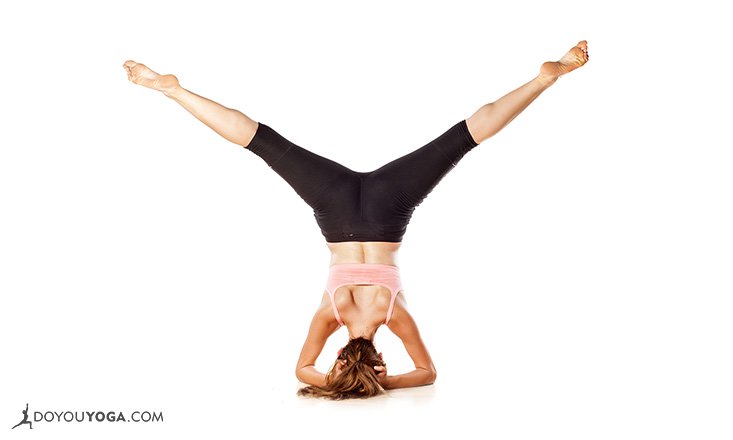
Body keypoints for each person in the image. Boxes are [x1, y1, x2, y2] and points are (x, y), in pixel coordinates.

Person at [123, 40, 589, 400]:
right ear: (343, 354)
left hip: (389, 211)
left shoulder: (395, 315)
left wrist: (385, 383)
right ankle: (174, 90)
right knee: (261, 142)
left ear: (378, 359)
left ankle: (543, 80)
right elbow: (301, 371)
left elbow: (427, 375)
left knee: (460, 140)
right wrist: (335, 379)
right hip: (336, 210)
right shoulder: (330, 314)